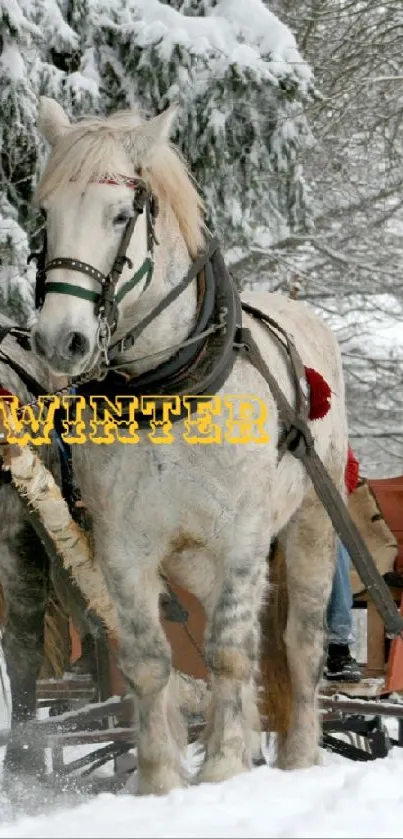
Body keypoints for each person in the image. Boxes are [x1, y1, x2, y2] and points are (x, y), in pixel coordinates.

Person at [324, 445, 362, 682]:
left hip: (314, 507)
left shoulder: (325, 421)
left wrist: (331, 496)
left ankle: (338, 648)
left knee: (335, 545)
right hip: (262, 508)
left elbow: (350, 466)